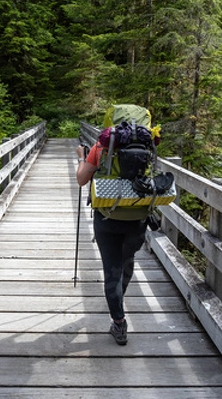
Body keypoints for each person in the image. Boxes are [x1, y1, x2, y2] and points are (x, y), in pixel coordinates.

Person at [75, 142, 147, 345]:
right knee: (127, 261)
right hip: (138, 216)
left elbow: (81, 179)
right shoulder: (147, 147)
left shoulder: (100, 148)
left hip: (107, 218)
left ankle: (119, 322)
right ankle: (116, 300)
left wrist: (81, 156)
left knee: (112, 270)